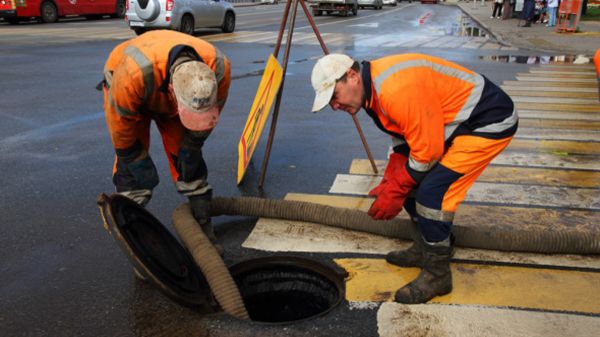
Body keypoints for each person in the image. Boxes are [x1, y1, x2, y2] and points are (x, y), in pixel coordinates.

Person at [310, 53, 517, 304]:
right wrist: (392, 179)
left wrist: (396, 188)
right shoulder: (371, 91)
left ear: (352, 76)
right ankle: (425, 248)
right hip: (456, 125)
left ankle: (438, 275)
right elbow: (403, 134)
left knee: (432, 197)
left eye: (334, 96)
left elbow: (428, 153)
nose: (334, 106)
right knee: (413, 186)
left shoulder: (394, 89)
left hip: (487, 121)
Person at [100, 30, 231, 254]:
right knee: (134, 175)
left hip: (167, 87)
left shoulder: (219, 69)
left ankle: (202, 227)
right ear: (171, 92)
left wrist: (193, 145)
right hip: (133, 88)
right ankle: (137, 243)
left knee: (189, 161)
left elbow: (210, 114)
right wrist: (132, 156)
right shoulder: (131, 76)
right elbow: (121, 126)